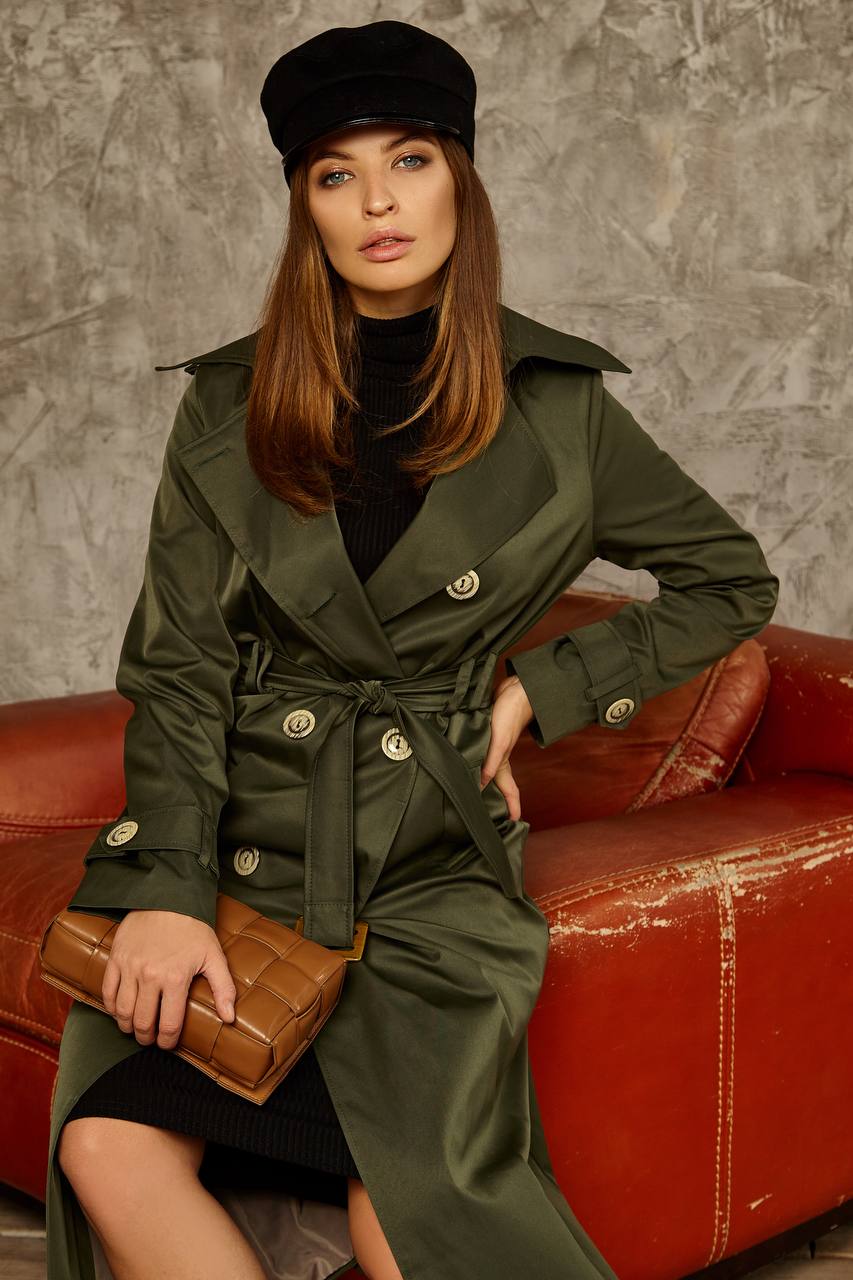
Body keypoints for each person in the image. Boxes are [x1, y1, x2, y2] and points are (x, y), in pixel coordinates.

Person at [45, 18, 780, 1280]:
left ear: (463, 182)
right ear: (305, 206)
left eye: (412, 161)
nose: (378, 201)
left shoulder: (560, 409)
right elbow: (177, 669)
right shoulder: (228, 402)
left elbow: (732, 581)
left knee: (414, 1205)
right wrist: (166, 888)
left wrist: (533, 697)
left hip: (426, 867)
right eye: (336, 173)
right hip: (238, 837)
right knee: (108, 1143)